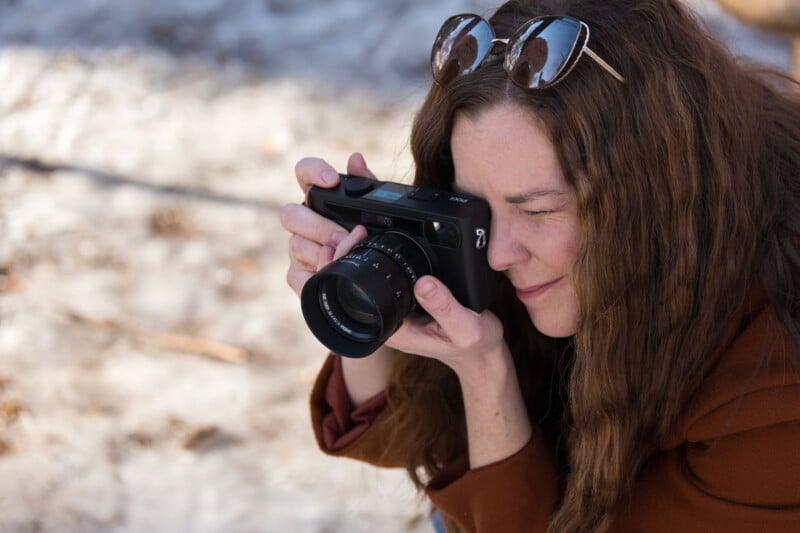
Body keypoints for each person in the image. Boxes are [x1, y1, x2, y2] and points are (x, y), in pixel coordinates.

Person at [280, 0, 800, 531]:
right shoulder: (577, 247)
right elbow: (413, 437)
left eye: (539, 208)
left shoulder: (774, 393)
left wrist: (484, 374)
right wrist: (372, 293)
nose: (499, 254)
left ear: (652, 197)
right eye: (473, 204)